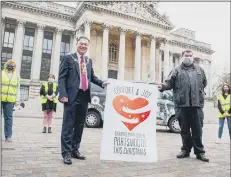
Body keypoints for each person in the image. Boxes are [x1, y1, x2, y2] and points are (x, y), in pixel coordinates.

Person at [58, 36, 108, 165]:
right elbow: (62, 78)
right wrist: (62, 94)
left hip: (84, 96)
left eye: (86, 44)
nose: (83, 46)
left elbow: (92, 77)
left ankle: (75, 150)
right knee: (68, 125)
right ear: (77, 44)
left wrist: (103, 83)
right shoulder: (68, 58)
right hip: (71, 96)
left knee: (80, 125)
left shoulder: (88, 60)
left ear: (88, 46)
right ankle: (66, 153)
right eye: (81, 44)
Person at [158, 50, 209, 162]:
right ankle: (186, 150)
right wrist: (162, 86)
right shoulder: (176, 70)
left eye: (190, 56)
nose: (189, 57)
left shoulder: (200, 70)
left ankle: (200, 152)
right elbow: (168, 83)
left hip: (197, 105)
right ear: (182, 57)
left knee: (197, 130)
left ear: (193, 57)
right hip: (181, 105)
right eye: (186, 56)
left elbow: (204, 83)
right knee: (184, 130)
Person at [1, 60, 20, 142]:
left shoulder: (16, 76)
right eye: (10, 64)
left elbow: (17, 89)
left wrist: (17, 100)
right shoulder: (1, 73)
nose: (11, 66)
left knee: (8, 118)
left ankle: (8, 136)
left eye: (13, 65)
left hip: (10, 100)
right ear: (6, 65)